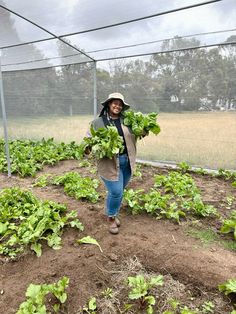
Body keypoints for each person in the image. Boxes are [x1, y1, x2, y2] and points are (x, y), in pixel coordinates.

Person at [86, 92, 137, 234]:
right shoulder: (98, 122)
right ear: (109, 104)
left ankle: (111, 212)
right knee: (116, 191)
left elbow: (136, 134)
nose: (118, 106)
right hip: (109, 164)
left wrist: (143, 130)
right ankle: (111, 219)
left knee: (118, 192)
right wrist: (89, 147)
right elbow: (88, 140)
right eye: (115, 103)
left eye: (120, 104)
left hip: (126, 161)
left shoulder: (127, 121)